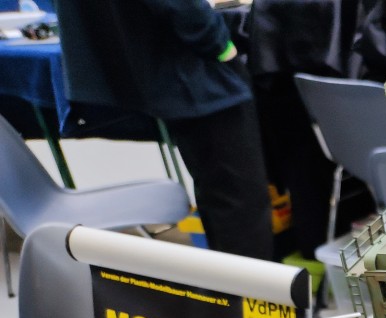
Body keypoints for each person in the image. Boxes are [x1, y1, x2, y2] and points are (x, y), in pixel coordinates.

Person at [54, 0, 275, 261]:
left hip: (165, 72)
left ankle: (231, 284)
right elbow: (185, 10)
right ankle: (251, 285)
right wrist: (222, 46)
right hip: (196, 74)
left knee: (219, 195)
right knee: (240, 203)